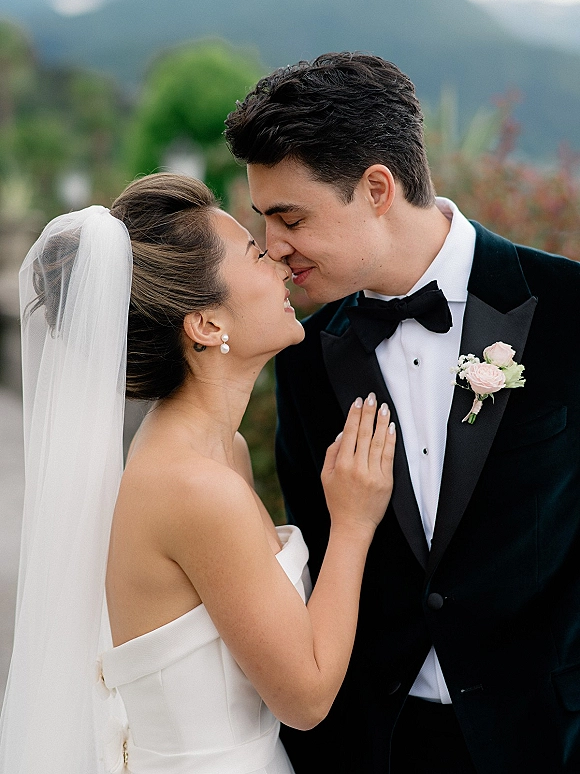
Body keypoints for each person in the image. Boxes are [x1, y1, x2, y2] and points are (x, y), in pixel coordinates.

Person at [224, 52, 580, 774]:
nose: (273, 247)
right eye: (264, 221)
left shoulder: (570, 309)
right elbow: (323, 551)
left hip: (547, 737)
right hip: (375, 746)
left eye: (291, 218)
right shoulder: (302, 355)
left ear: (377, 188)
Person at [0, 173, 396, 774]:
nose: (281, 265)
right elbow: (306, 698)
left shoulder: (221, 452)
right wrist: (353, 521)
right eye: (256, 254)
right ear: (207, 325)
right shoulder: (194, 487)